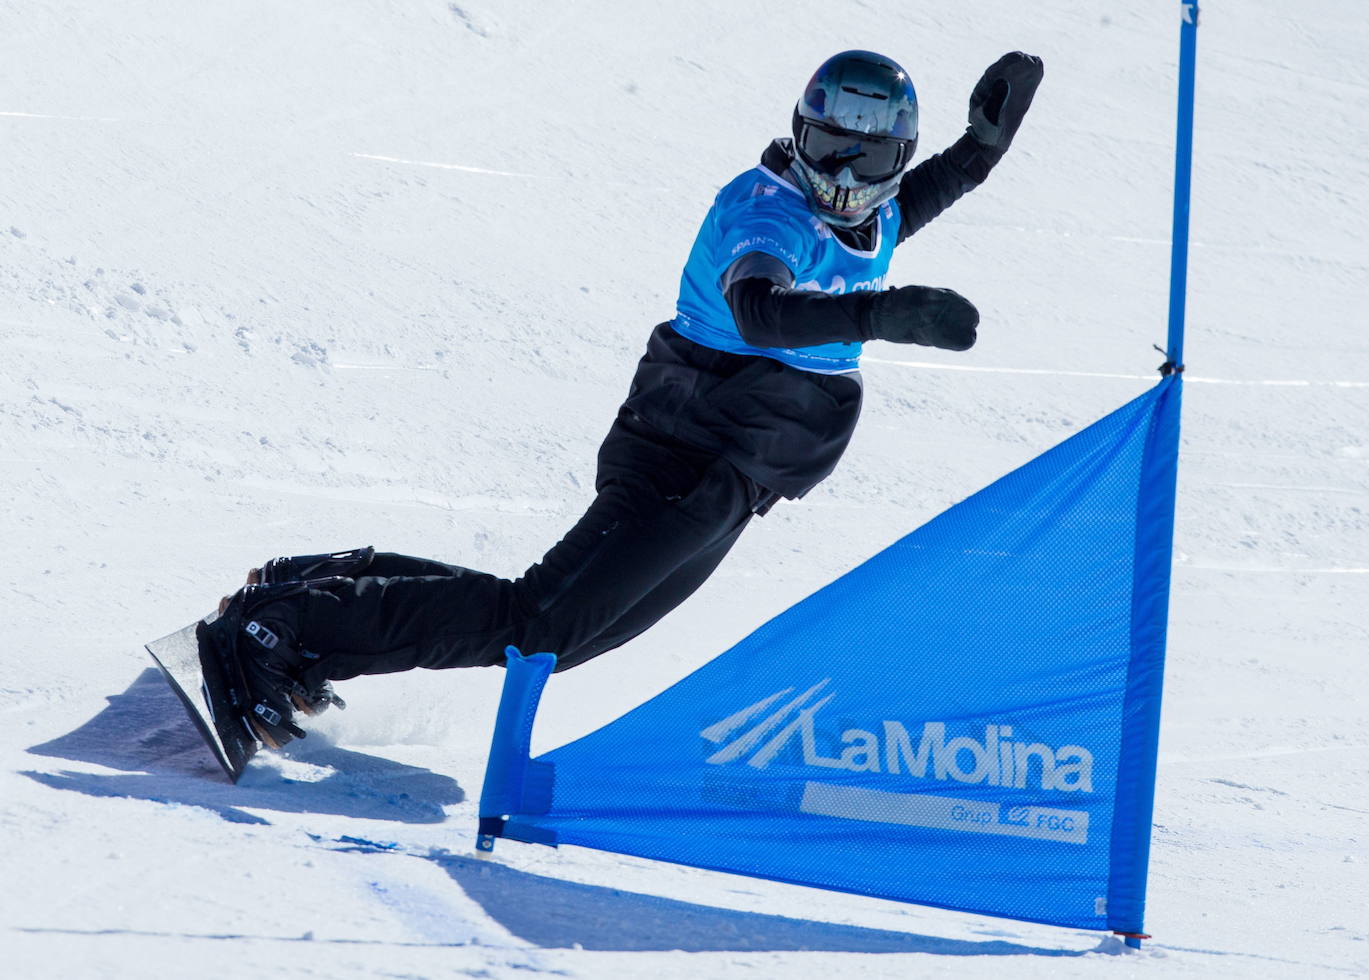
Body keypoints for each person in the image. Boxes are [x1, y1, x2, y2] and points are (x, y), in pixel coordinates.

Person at [208, 49, 1045, 748]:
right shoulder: (768, 212)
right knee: (536, 627)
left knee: (561, 632)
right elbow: (759, 309)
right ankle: (284, 631)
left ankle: (308, 597)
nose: (842, 172)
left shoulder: (877, 214)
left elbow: (926, 193)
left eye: (867, 158)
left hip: (738, 474)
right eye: (828, 144)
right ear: (799, 132)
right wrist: (878, 314)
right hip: (687, 446)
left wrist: (983, 146)